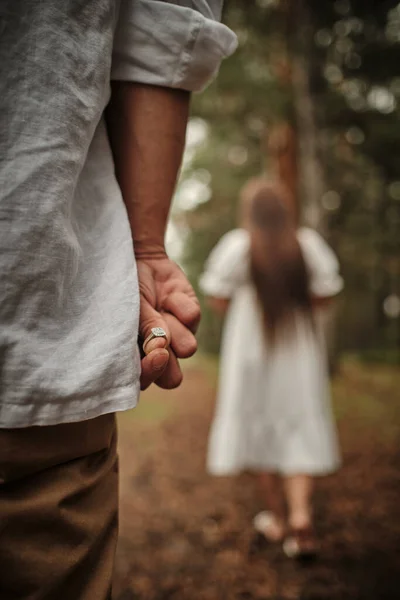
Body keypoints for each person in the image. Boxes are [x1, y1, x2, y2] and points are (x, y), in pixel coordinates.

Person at [0, 2, 237, 598]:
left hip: (46, 351)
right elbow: (165, 32)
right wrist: (147, 248)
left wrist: (150, 254)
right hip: (44, 334)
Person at [200, 178, 344, 559]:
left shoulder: (238, 246)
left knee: (259, 420)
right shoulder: (307, 245)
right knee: (296, 422)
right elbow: (326, 295)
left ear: (249, 213)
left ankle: (278, 518)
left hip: (250, 348)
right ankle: (301, 518)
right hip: (297, 349)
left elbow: (216, 297)